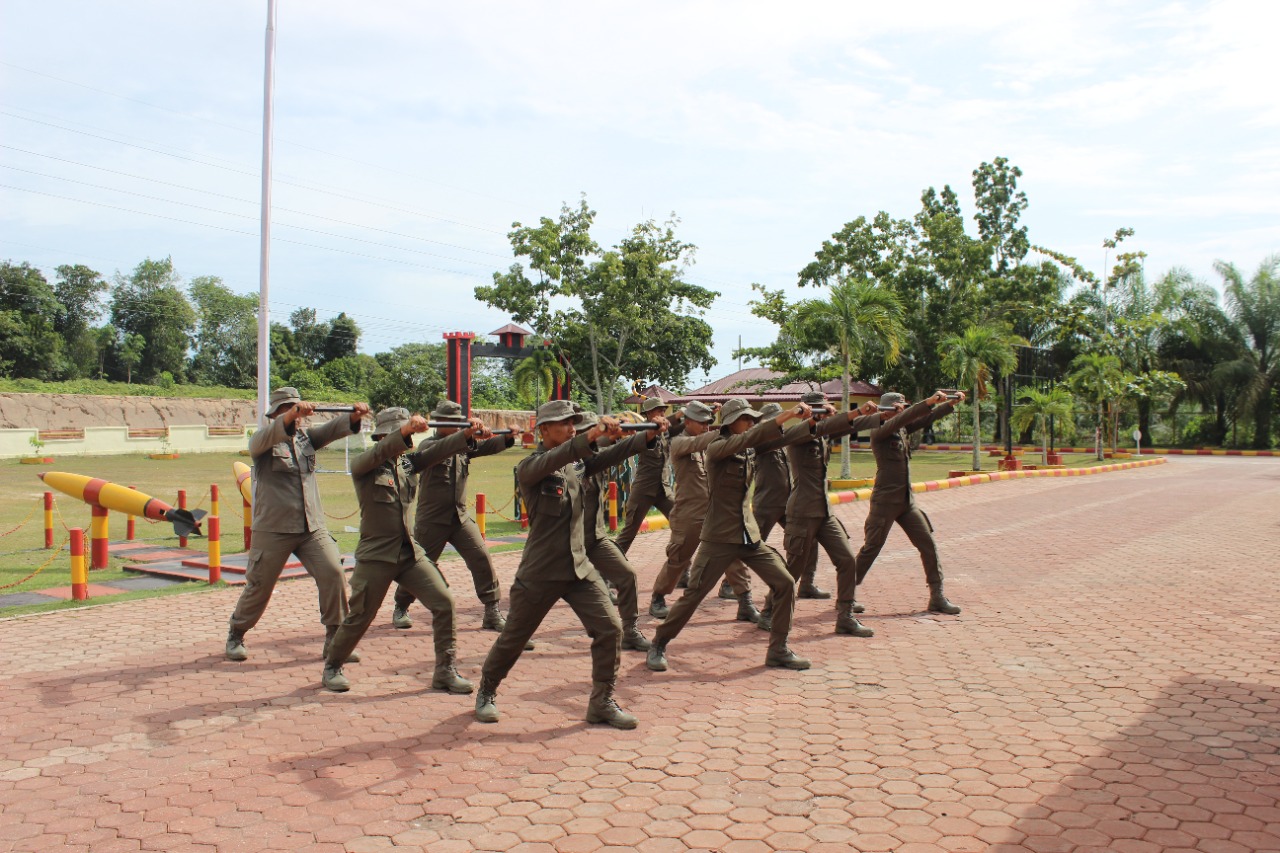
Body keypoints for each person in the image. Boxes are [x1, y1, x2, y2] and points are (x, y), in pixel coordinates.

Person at [474, 400, 637, 729]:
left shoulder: (577, 464)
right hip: (541, 572)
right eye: (563, 423)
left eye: (573, 423)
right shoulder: (530, 468)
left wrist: (637, 438)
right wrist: (591, 436)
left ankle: (601, 701)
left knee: (610, 629)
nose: (570, 428)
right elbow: (559, 457)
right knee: (514, 639)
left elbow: (605, 455)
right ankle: (487, 691)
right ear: (543, 430)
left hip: (578, 569)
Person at [646, 399, 812, 674]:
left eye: (752, 418)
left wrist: (812, 423)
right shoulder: (717, 447)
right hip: (719, 537)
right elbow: (751, 436)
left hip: (747, 535)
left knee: (784, 583)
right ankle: (659, 643)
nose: (751, 422)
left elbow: (779, 437)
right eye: (746, 418)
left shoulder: (747, 445)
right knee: (694, 595)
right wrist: (786, 415)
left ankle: (778, 649)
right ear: (731, 421)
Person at [320, 408, 477, 694]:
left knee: (444, 603)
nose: (408, 437)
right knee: (360, 617)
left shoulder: (407, 464)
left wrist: (466, 434)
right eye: (399, 431)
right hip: (376, 554)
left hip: (408, 552)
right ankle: (333, 665)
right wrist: (404, 431)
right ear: (384, 435)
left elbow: (438, 450)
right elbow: (379, 453)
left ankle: (445, 671)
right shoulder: (364, 465)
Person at [225, 388, 369, 663]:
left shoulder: (306, 440)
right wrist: (292, 413)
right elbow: (266, 437)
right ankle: (237, 632)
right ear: (278, 413)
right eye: (289, 409)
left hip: (310, 527)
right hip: (273, 528)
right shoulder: (263, 440)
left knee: (333, 573)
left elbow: (332, 429)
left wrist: (353, 416)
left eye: (297, 408)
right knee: (259, 586)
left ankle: (334, 640)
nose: (298, 415)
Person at [389, 399, 516, 632]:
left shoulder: (463, 443)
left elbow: (486, 447)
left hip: (459, 517)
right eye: (453, 423)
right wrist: (467, 435)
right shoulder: (429, 444)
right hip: (432, 519)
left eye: (460, 422)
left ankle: (491, 611)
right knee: (420, 567)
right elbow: (445, 448)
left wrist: (507, 437)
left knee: (481, 559)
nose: (458, 426)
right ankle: (401, 606)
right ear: (440, 423)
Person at [776, 391, 883, 638]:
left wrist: (881, 415)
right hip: (802, 512)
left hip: (824, 512)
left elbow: (853, 424)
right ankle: (772, 610)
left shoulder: (823, 434)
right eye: (824, 408)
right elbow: (840, 422)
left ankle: (845, 617)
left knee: (846, 560)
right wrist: (855, 412)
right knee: (793, 570)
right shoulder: (799, 433)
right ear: (811, 411)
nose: (829, 411)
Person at [853, 390, 966, 615]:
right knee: (871, 548)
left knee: (928, 544)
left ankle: (937, 596)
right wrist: (928, 401)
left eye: (903, 406)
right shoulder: (880, 430)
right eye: (897, 407)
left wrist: (949, 404)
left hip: (905, 501)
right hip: (885, 501)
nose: (902, 409)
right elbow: (907, 417)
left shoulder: (902, 429)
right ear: (886, 410)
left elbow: (924, 418)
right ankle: (845, 595)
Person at [653, 400, 759, 624]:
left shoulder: (714, 443)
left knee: (732, 556)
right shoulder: (679, 443)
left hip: (715, 514)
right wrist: (728, 430)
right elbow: (699, 442)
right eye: (701, 423)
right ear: (688, 421)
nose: (705, 427)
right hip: (689, 514)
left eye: (709, 423)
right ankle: (658, 597)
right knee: (679, 558)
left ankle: (746, 602)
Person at [575, 410, 667, 652]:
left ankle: (630, 631)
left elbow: (614, 451)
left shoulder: (595, 457)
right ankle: (512, 634)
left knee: (626, 575)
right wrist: (605, 437)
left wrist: (641, 434)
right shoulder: (560, 459)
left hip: (593, 538)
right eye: (589, 433)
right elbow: (583, 454)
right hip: (562, 545)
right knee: (533, 602)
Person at [613, 397, 683, 564]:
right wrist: (679, 413)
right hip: (644, 490)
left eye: (663, 410)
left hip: (663, 489)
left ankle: (680, 570)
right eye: (659, 410)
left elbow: (686, 425)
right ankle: (608, 571)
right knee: (628, 533)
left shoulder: (665, 430)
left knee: (682, 526)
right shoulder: (643, 430)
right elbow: (647, 436)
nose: (662, 413)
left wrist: (707, 412)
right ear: (649, 413)